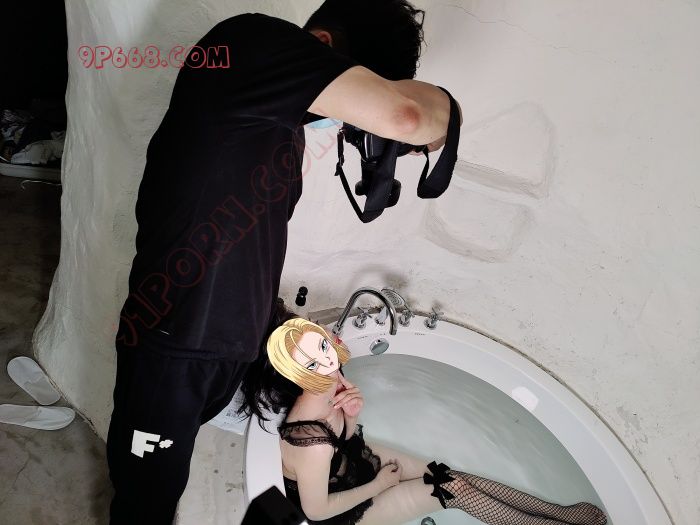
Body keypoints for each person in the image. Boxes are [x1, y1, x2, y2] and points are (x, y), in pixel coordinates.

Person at [106, 1, 461, 523]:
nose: (346, 117)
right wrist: (448, 109)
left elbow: (245, 244)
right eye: (354, 87)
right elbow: (407, 117)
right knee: (146, 503)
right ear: (321, 44)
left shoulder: (280, 123)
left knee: (167, 483)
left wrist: (302, 358)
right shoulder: (250, 43)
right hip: (174, 342)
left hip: (226, 345)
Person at [237, 302, 609, 525]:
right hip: (341, 510)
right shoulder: (309, 442)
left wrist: (351, 414)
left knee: (454, 477)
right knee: (454, 490)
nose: (327, 353)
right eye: (312, 359)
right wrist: (378, 486)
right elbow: (317, 511)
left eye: (320, 342)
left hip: (349, 464)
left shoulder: (330, 382)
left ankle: (560, 514)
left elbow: (344, 439)